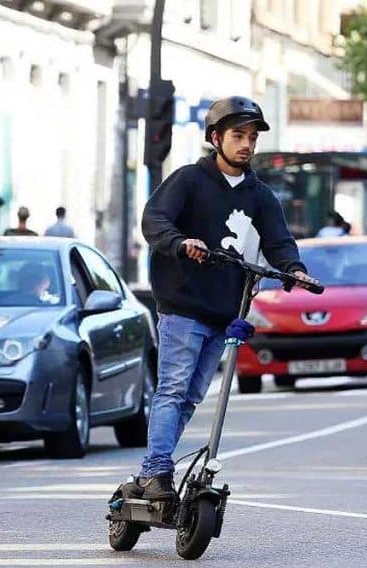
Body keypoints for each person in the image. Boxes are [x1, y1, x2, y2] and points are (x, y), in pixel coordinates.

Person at [129, 96, 318, 501]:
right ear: (216, 138)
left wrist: (295, 270)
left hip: (226, 311)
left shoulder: (260, 196)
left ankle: (151, 468)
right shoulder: (187, 180)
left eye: (252, 137)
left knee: (193, 396)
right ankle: (158, 471)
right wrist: (182, 243)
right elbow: (154, 220)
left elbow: (279, 242)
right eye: (238, 135)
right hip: (183, 304)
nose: (247, 144)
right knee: (173, 388)